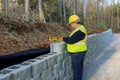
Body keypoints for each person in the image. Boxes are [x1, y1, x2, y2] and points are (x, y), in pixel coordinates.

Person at [62, 15, 87, 80]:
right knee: (78, 69)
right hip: (79, 52)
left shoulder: (80, 31)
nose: (71, 25)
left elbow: (70, 40)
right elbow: (72, 38)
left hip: (77, 53)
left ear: (74, 23)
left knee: (77, 70)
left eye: (71, 24)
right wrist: (65, 38)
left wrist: (62, 38)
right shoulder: (79, 29)